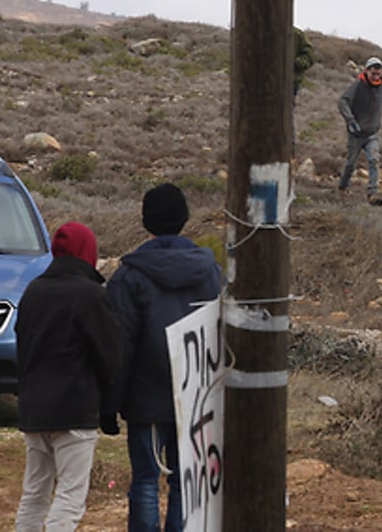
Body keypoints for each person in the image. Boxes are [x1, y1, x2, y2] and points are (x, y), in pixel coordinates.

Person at [103, 184, 223, 532]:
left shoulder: (129, 276)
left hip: (145, 399)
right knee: (185, 483)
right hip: (197, 397)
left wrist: (110, 404)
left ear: (145, 221)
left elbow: (120, 346)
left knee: (145, 480)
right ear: (185, 219)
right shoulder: (211, 273)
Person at [14, 221, 121, 532]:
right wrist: (108, 402)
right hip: (74, 408)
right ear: (88, 252)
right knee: (70, 496)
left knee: (34, 493)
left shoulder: (33, 291)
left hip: (34, 409)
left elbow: (22, 346)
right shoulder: (90, 295)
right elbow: (111, 355)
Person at [337, 56, 382, 206]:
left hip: (372, 133)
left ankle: (372, 193)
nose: (376, 75)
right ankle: (342, 188)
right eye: (373, 72)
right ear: (367, 71)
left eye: (378, 72)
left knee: (374, 160)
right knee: (351, 164)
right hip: (356, 133)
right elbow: (342, 101)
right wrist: (350, 120)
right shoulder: (358, 85)